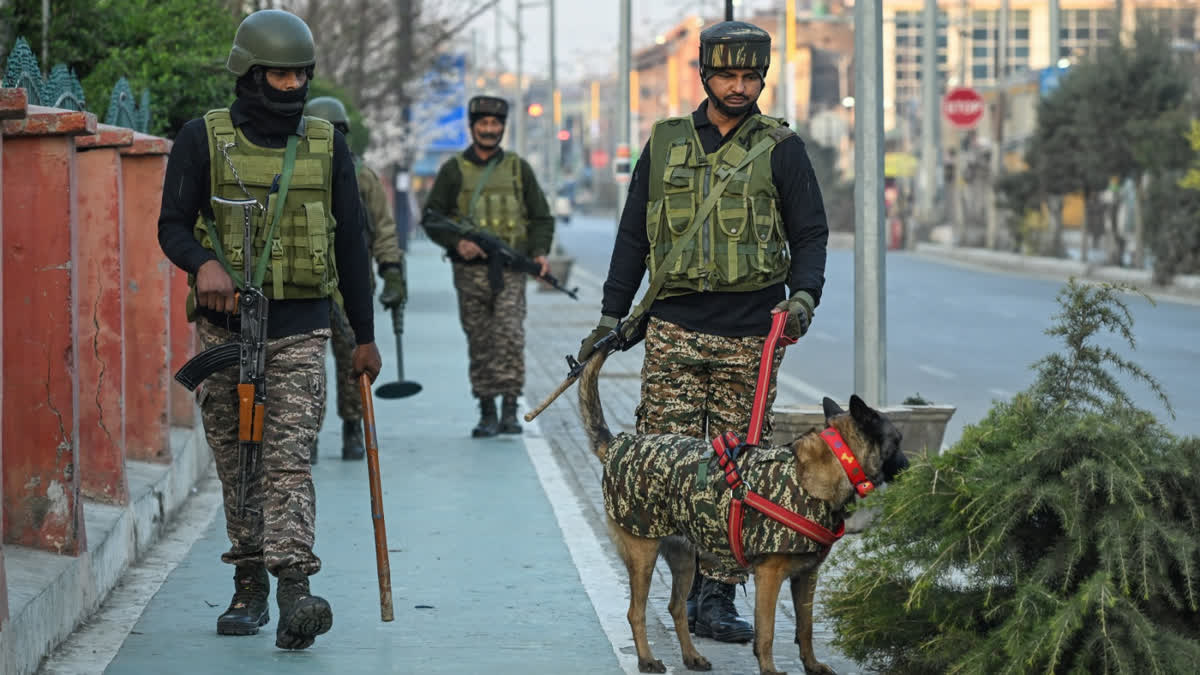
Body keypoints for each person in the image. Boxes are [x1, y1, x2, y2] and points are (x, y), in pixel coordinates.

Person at [576, 20, 829, 644]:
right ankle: (678, 595)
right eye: (728, 75)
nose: (739, 87)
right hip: (673, 331)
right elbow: (633, 234)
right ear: (705, 76)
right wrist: (612, 316)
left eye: (751, 76)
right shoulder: (663, 144)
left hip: (751, 335)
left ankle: (718, 598)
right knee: (672, 469)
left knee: (736, 471)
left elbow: (811, 235)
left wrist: (803, 297)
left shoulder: (781, 148)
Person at [156, 9, 381, 650]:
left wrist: (363, 336)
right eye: (279, 74)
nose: (291, 86)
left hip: (301, 330)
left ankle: (294, 588)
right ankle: (248, 580)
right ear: (250, 73)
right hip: (225, 334)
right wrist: (203, 264)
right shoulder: (202, 139)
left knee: (287, 460)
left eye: (300, 75)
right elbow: (171, 224)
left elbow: (352, 246)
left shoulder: (326, 143)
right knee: (236, 459)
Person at [422, 95, 555, 437]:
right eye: (483, 123)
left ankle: (510, 407)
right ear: (472, 127)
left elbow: (541, 216)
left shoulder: (517, 168)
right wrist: (457, 244)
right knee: (479, 340)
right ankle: (486, 410)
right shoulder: (454, 170)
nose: (489, 129)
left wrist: (539, 252)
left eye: (495, 124)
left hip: (510, 271)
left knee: (509, 335)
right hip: (469, 273)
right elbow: (432, 218)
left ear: (502, 128)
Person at [303, 96, 406, 462]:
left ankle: (351, 430)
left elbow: (384, 229)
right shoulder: (296, 173)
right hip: (308, 282)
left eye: (339, 133)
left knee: (353, 360)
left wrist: (391, 270)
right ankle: (306, 435)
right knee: (305, 366)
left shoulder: (362, 177)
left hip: (351, 284)